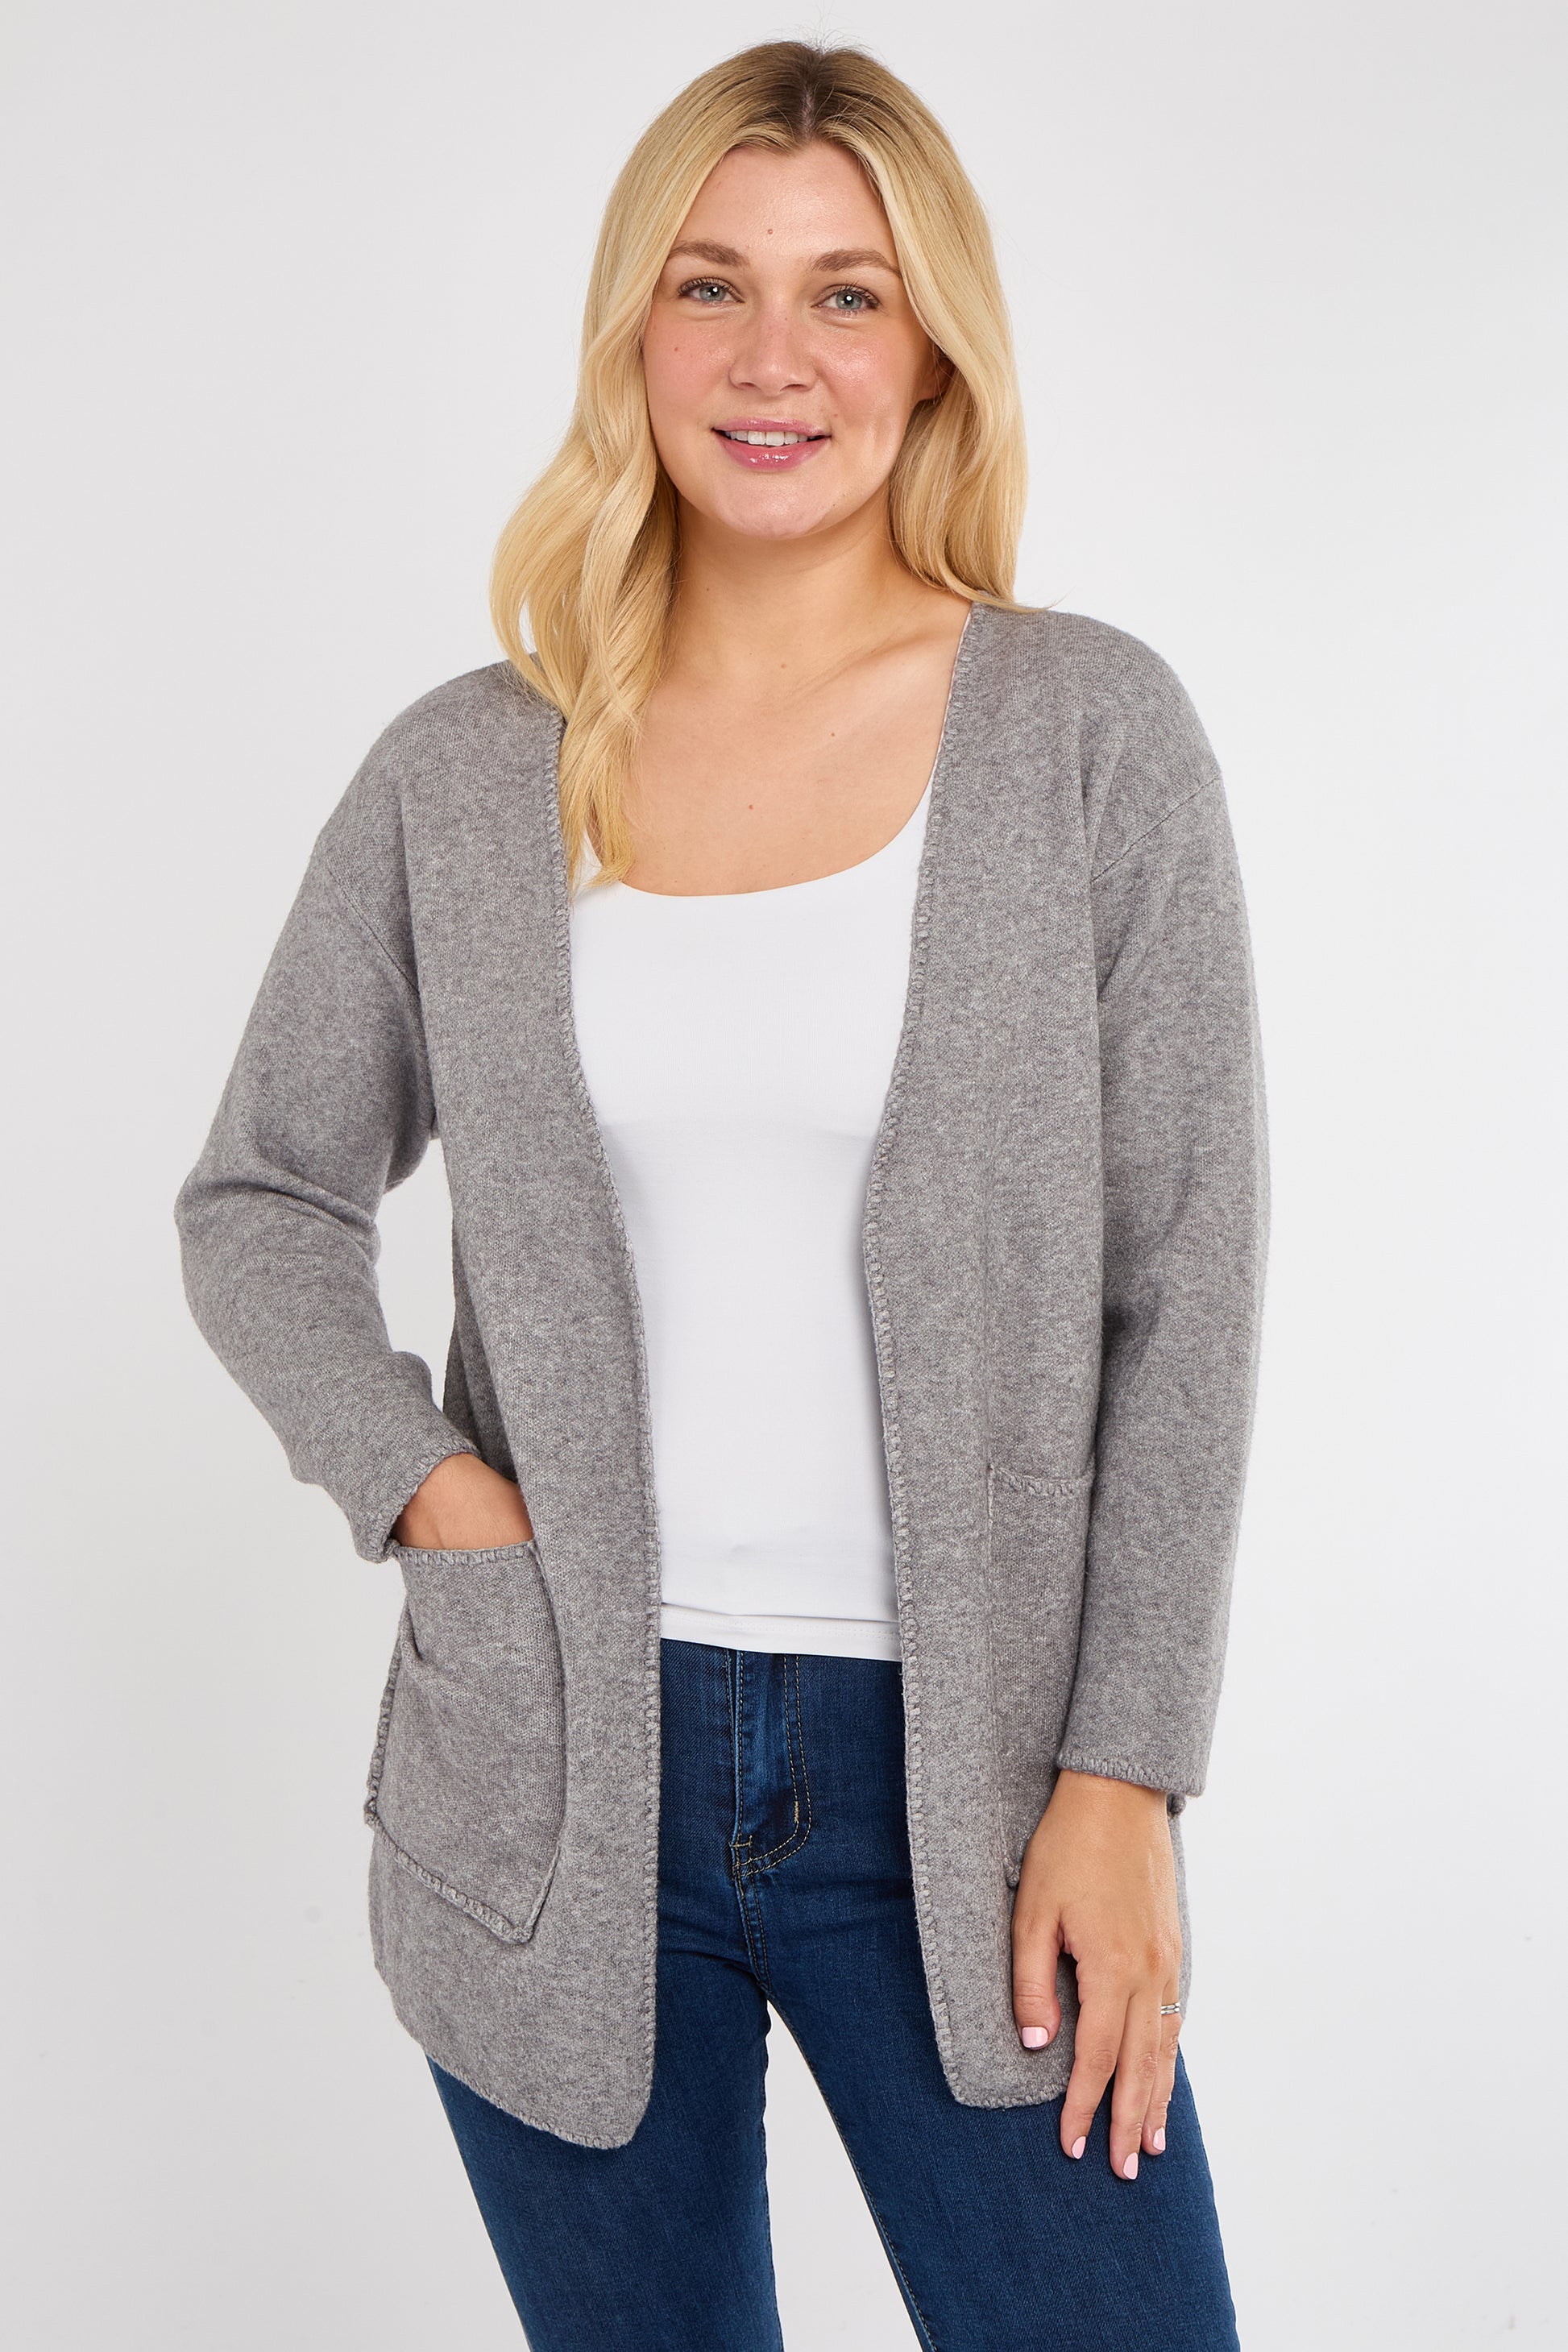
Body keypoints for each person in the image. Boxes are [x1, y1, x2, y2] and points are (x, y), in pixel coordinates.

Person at [175, 39, 1268, 2350]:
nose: (777, 358)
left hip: (976, 1788)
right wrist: (440, 1497)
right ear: (632, 334)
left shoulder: (1088, 737)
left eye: (847, 293)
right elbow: (260, 1195)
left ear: (934, 348)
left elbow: (1186, 1290)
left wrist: (1124, 1773)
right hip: (560, 1762)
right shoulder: (466, 775)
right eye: (712, 286)